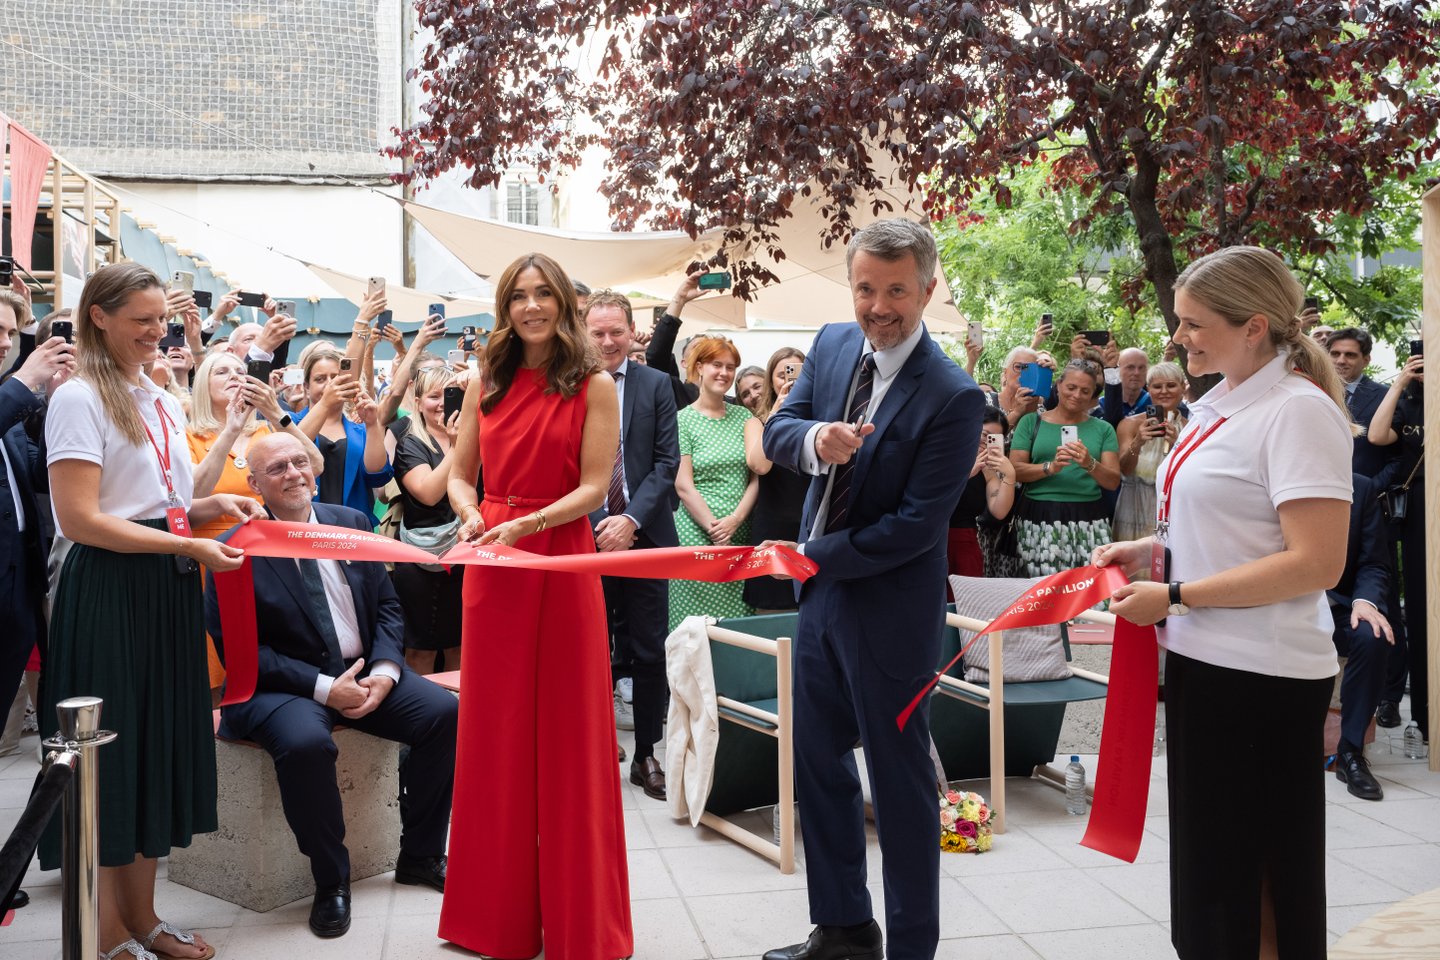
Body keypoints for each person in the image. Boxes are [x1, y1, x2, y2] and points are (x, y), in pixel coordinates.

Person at [1098, 245, 1353, 960]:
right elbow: (1226, 527)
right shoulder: (1221, 405)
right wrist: (1150, 550)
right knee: (1216, 875)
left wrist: (1176, 594)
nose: (1179, 338)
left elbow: (1316, 561)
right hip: (1207, 663)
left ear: (1255, 326)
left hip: (1262, 677)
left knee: (1259, 872)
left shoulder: (1297, 412)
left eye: (1193, 323)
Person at [761, 218, 983, 960]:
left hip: (888, 613)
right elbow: (777, 428)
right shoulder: (828, 345)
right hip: (820, 604)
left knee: (899, 789)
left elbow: (916, 529)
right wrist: (815, 438)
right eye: (865, 288)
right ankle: (844, 929)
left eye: (895, 291)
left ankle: (910, 948)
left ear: (926, 289)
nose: (878, 306)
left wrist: (809, 556)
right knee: (817, 768)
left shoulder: (954, 396)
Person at [43, 262, 266, 960]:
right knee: (111, 762)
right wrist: (190, 542)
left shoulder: (159, 393)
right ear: (98, 316)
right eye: (142, 319)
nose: (156, 331)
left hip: (166, 586)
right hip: (111, 590)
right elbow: (81, 519)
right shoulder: (77, 397)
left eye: (160, 318)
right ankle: (105, 935)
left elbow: (155, 502)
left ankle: (141, 921)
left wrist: (206, 508)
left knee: (146, 756)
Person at [440, 253, 631, 960]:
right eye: (518, 296)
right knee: (494, 738)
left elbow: (593, 488)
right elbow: (458, 477)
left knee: (571, 741)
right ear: (504, 306)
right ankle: (493, 924)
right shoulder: (484, 381)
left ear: (564, 304)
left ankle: (586, 927)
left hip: (560, 556)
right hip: (494, 562)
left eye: (542, 294)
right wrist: (471, 513)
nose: (530, 307)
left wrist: (524, 523)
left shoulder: (596, 384)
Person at [202, 433, 457, 938]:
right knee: (305, 744)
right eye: (277, 468)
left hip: (363, 669)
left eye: (300, 461)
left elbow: (387, 607)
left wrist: (384, 673)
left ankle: (422, 854)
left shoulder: (351, 522)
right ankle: (331, 881)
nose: (294, 473)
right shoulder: (234, 549)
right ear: (253, 484)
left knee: (443, 714)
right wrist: (324, 688)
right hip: (279, 685)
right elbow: (242, 651)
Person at [583, 289, 680, 798]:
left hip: (646, 538)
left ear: (630, 331)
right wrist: (601, 522)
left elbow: (666, 462)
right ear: (583, 332)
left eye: (615, 331)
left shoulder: (657, 384)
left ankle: (646, 753)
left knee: (648, 651)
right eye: (596, 332)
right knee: (591, 649)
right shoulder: (569, 386)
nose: (606, 341)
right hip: (586, 539)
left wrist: (629, 520)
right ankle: (596, 747)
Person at [0, 287, 73, 911]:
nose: (2, 340)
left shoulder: (13, 407)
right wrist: (24, 382)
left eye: (8, 331)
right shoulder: (7, 396)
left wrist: (57, 402)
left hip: (18, 605)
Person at [1328, 326, 1408, 728]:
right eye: (1336, 354)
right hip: (1320, 503)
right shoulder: (1316, 393)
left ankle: (1390, 697)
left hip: (1368, 509)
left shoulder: (1382, 395)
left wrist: (1371, 490)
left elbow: (1400, 454)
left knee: (1381, 608)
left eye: (1350, 355)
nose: (1342, 361)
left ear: (1365, 359)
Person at [669, 335, 758, 630]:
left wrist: (734, 520)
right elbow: (684, 485)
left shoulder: (745, 417)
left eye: (730, 367)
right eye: (716, 364)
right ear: (699, 367)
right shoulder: (682, 419)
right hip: (696, 534)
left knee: (739, 627)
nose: (724, 372)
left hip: (740, 534)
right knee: (693, 629)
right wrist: (716, 529)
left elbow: (755, 479)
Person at [1007, 359, 1121, 578]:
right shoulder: (1031, 422)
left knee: (1088, 590)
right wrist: (1049, 467)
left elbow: (1112, 481)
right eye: (1071, 387)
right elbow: (1013, 470)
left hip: (1089, 518)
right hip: (1039, 515)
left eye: (1085, 391)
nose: (1077, 395)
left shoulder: (1103, 429)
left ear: (1092, 395)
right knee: (1040, 589)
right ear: (1058, 385)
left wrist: (1089, 463)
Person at [391, 365, 465, 674]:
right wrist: (457, 447)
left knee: (460, 645)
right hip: (420, 559)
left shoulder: (476, 435)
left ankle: (459, 715)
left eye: (449, 394)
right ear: (418, 402)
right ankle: (425, 715)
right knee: (420, 650)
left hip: (465, 555)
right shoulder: (410, 442)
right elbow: (428, 493)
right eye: (433, 396)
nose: (441, 403)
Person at [1369, 348, 1426, 746]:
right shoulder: (1408, 401)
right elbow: (1376, 435)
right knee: (1421, 612)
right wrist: (1402, 381)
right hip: (1420, 510)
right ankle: (1423, 716)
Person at [1329, 473, 1394, 801]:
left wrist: (1366, 601)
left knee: (1374, 635)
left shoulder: (1361, 487)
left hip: (1337, 605)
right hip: (1281, 602)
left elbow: (1374, 563)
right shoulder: (1264, 478)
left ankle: (1350, 752)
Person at [743, 347, 810, 614]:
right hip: (773, 528)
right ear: (771, 380)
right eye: (782, 375)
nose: (789, 380)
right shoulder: (757, 422)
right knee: (772, 618)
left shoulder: (822, 418)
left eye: (796, 372)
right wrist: (777, 412)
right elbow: (759, 464)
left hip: (811, 528)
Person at [294, 348, 393, 521]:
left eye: (335, 377)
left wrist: (372, 424)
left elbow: (377, 476)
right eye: (320, 379)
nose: (330, 384)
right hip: (305, 526)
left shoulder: (360, 430)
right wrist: (325, 403)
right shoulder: (290, 423)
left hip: (353, 527)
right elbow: (291, 448)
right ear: (306, 387)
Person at [1113, 361, 1187, 543]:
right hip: (1133, 505)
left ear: (1182, 388)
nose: (1164, 391)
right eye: (1157, 386)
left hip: (1171, 510)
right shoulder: (1129, 424)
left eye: (1171, 385)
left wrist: (1178, 446)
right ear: (1149, 389)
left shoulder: (1191, 426)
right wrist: (1137, 442)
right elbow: (1124, 470)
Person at [954, 405, 1018, 584]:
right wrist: (966, 474)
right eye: (984, 434)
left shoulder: (987, 470)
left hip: (965, 545)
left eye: (993, 438)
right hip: (933, 541)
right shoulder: (946, 453)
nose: (985, 442)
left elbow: (999, 511)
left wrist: (1009, 475)